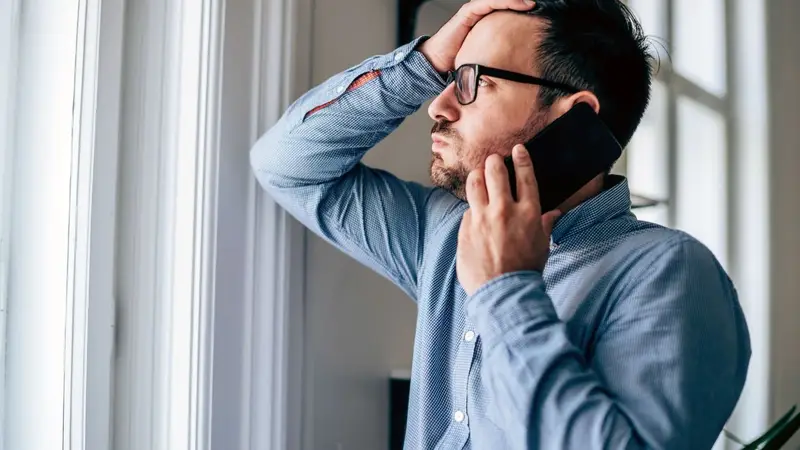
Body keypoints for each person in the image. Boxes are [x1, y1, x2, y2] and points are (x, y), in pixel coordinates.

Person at [250, 0, 751, 448]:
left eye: (472, 81)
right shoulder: (445, 233)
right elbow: (288, 164)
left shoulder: (671, 273)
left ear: (572, 116)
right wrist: (422, 64)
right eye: (448, 78)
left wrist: (505, 289)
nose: (438, 104)